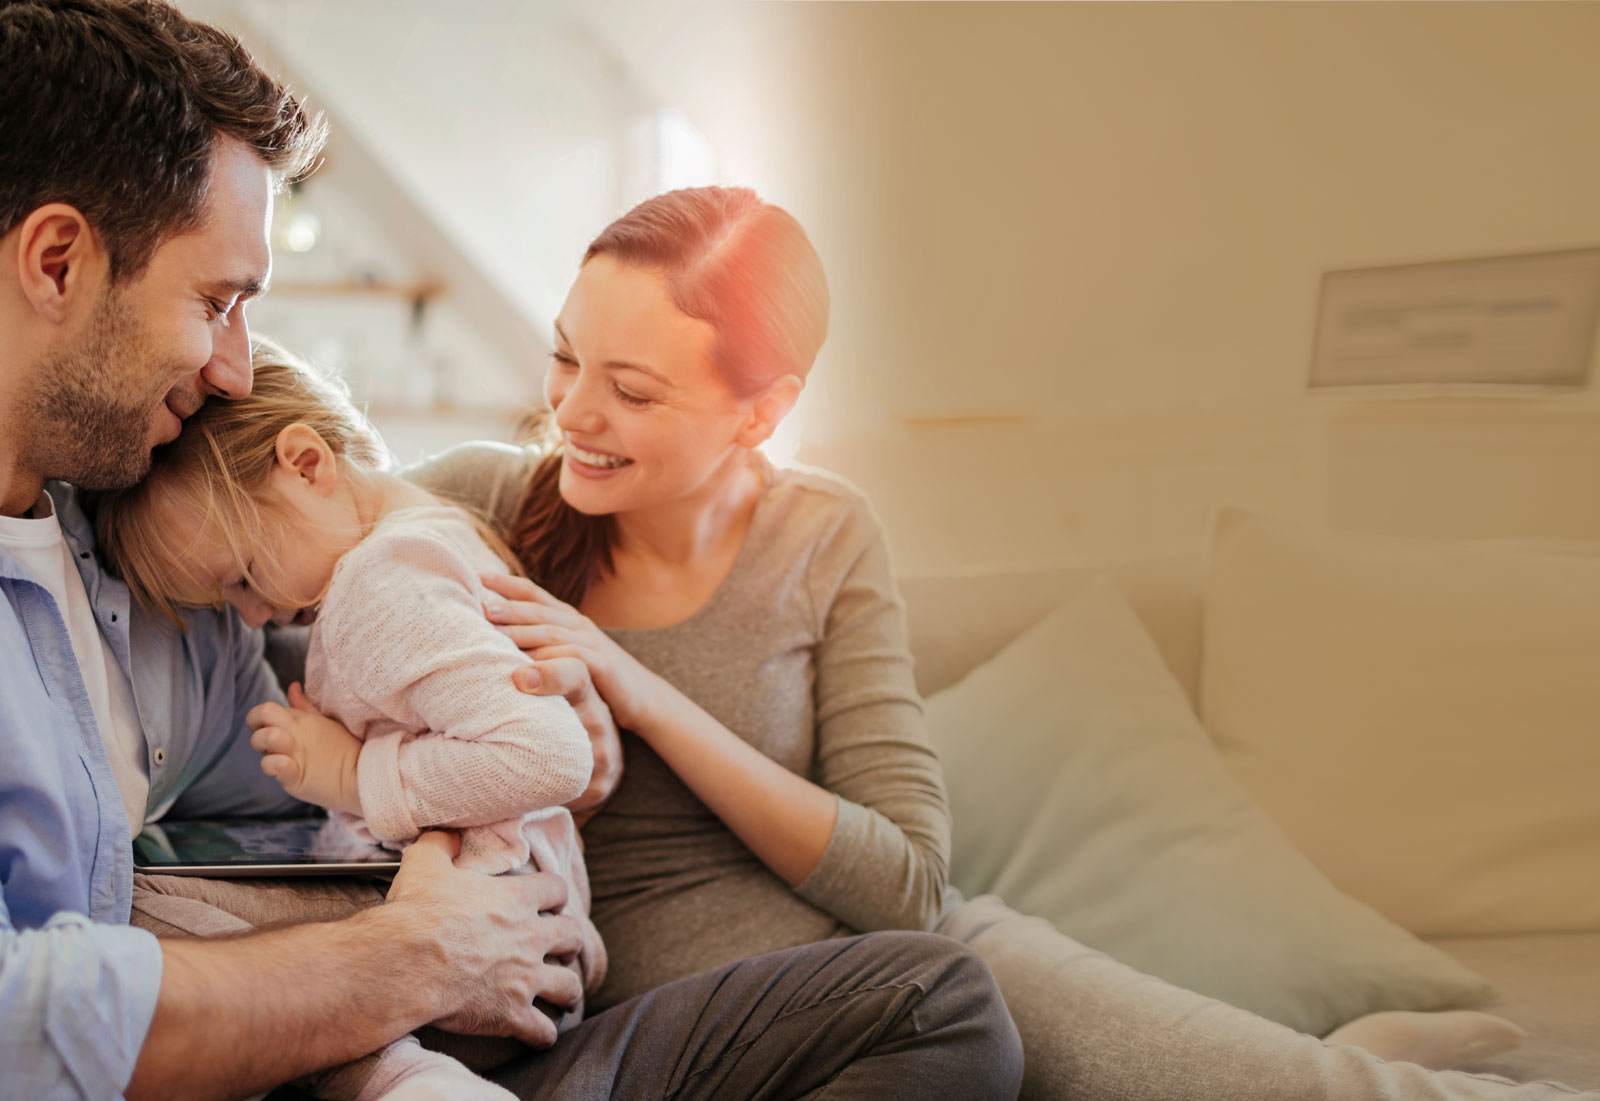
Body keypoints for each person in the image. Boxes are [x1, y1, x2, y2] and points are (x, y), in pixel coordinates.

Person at [0, 4, 1024, 1099]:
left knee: (946, 996)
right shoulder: (350, 521)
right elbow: (307, 558)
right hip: (478, 1015)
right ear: (56, 262)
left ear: (759, 416)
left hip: (531, 989)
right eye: (217, 302)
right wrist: (412, 939)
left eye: (631, 389)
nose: (240, 368)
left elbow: (300, 727)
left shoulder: (133, 531)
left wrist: (585, 722)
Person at [407, 185, 1600, 1101]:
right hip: (702, 1016)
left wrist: (641, 691)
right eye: (565, 357)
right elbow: (269, 510)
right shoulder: (480, 507)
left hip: (917, 970)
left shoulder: (821, 537)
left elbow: (907, 882)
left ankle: (1346, 1056)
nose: (571, 413)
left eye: (632, 389)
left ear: (761, 410)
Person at [90, 340, 609, 1101]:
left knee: (125, 911)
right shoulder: (432, 536)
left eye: (244, 576)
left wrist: (352, 772)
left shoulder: (379, 584)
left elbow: (551, 757)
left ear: (306, 464)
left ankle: (403, 1078)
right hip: (540, 934)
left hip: (496, 941)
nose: (257, 619)